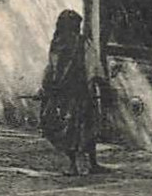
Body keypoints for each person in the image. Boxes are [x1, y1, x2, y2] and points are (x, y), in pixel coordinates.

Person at [38, 10, 105, 176]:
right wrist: (96, 81)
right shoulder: (79, 43)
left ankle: (78, 164)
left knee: (73, 128)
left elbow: (51, 68)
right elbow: (92, 66)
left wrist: (47, 85)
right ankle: (86, 164)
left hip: (69, 93)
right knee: (82, 127)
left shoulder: (59, 43)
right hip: (73, 92)